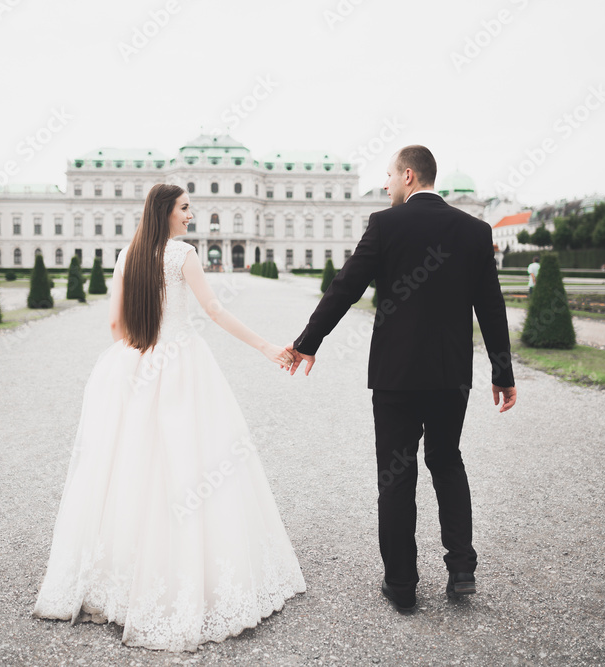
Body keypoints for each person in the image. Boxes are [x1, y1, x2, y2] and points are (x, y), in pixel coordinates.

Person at [31, 183, 306, 652]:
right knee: (189, 466)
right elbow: (214, 311)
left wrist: (140, 350)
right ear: (166, 212)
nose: (192, 215)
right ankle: (183, 574)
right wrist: (266, 347)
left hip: (133, 362)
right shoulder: (182, 255)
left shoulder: (127, 255)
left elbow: (115, 325)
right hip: (181, 366)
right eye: (185, 208)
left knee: (127, 470)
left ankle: (117, 580)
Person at [283, 145, 517, 613]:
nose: (386, 184)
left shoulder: (386, 225)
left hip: (396, 376)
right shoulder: (474, 230)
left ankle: (402, 585)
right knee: (447, 463)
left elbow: (345, 287)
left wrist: (308, 342)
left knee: (396, 476)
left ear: (408, 176)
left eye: (389, 176)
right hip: (452, 375)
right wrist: (502, 371)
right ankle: (461, 568)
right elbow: (490, 306)